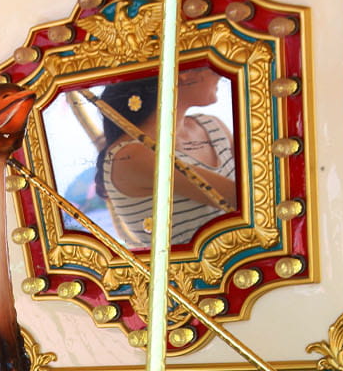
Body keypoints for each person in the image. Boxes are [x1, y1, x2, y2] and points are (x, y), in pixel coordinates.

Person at [95, 68, 238, 248]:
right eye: (213, 66)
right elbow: (245, 197)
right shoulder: (130, 156)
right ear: (183, 73)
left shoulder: (212, 125)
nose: (221, 73)